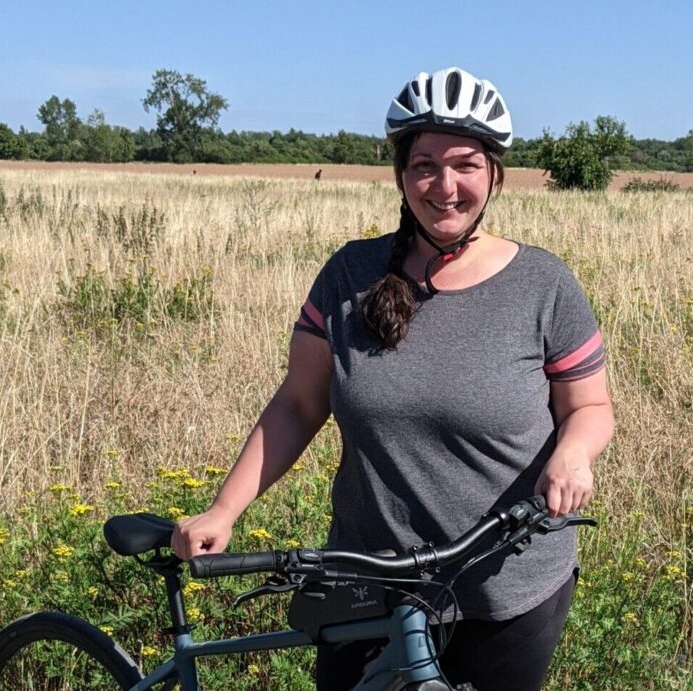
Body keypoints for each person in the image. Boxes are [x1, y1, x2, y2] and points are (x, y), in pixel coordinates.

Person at [172, 66, 615, 690]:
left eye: (465, 164)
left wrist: (573, 457)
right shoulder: (350, 275)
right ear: (401, 175)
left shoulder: (542, 285)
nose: (445, 186)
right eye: (424, 165)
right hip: (367, 574)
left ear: (493, 173)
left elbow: (590, 407)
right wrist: (225, 508)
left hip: (505, 580)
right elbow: (299, 404)